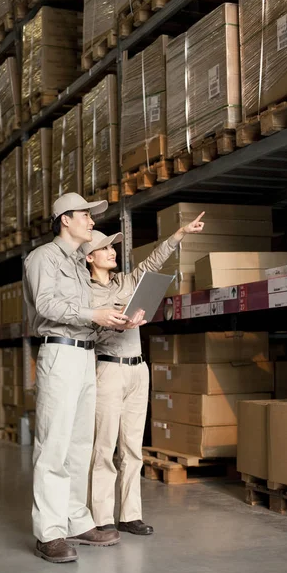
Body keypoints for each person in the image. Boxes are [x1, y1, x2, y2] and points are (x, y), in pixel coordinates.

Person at [23, 192, 145, 564]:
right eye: (86, 216)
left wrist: (117, 319)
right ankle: (49, 532)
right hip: (59, 352)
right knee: (54, 444)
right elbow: (45, 304)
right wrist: (94, 313)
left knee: (79, 444)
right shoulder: (42, 257)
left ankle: (76, 519)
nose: (92, 222)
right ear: (65, 219)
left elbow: (90, 313)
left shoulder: (79, 264)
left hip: (85, 353)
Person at [84, 211, 205, 535]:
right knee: (104, 447)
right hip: (108, 370)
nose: (113, 252)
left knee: (132, 448)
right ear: (89, 257)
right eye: (106, 249)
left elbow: (153, 262)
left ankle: (130, 515)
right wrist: (117, 321)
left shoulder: (126, 281)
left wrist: (180, 233)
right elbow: (87, 333)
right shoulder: (87, 295)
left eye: (114, 248)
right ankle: (101, 518)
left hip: (139, 370)